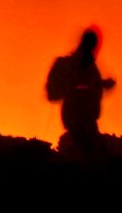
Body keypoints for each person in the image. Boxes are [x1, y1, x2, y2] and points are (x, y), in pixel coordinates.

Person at [46, 26, 116, 156]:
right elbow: (54, 92)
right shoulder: (70, 65)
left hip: (85, 122)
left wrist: (100, 84)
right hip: (77, 122)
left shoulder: (88, 68)